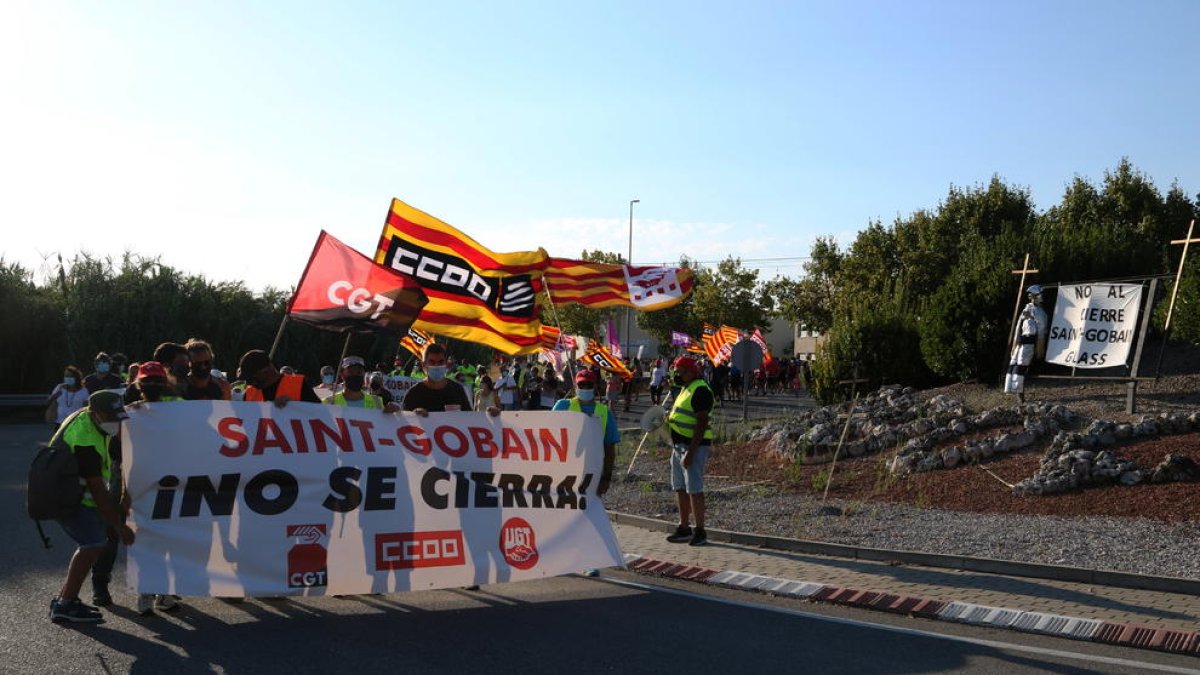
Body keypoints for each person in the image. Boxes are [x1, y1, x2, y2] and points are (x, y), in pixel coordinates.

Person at [47, 390, 136, 623]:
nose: (116, 424)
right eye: (112, 418)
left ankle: (65, 598)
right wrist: (119, 526)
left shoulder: (88, 418)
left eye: (119, 417)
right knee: (93, 544)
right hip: (64, 497)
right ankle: (65, 604)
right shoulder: (85, 439)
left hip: (70, 493)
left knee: (90, 544)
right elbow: (97, 490)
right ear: (96, 415)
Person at [665, 356, 714, 546]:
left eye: (680, 372)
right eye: (675, 372)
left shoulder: (700, 389)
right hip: (679, 447)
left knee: (694, 489)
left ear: (691, 371)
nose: (677, 376)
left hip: (692, 447)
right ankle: (684, 527)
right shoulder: (686, 388)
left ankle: (700, 530)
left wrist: (691, 452)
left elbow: (702, 422)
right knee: (680, 487)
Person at [551, 370, 617, 498]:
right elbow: (546, 435)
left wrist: (606, 478)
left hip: (592, 476)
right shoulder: (562, 406)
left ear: (595, 386)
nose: (585, 388)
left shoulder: (605, 412)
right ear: (575, 387)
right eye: (582, 385)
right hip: (563, 473)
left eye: (589, 385)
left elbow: (609, 449)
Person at [401, 344, 481, 415]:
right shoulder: (413, 394)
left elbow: (469, 419)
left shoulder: (457, 390)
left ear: (446, 364)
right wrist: (413, 417)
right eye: (432, 362)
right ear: (424, 365)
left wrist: (491, 416)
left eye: (440, 362)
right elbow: (402, 424)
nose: (436, 365)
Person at [1005, 285, 1048, 403]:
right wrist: (1016, 341)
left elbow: (1041, 329)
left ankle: (1019, 393)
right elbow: (1019, 326)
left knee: (1022, 367)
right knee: (1015, 366)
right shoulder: (1027, 309)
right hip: (1021, 342)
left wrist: (1039, 346)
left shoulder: (1040, 312)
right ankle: (1015, 391)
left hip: (1029, 342)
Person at [238, 350, 321, 404]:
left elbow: (319, 414)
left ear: (266, 371)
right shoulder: (250, 393)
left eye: (252, 378)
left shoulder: (297, 385)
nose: (249, 383)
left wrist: (295, 406)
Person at [322, 356, 393, 410]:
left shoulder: (377, 402)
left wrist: (395, 413)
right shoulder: (328, 402)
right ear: (342, 375)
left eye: (359, 372)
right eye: (351, 372)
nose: (355, 375)